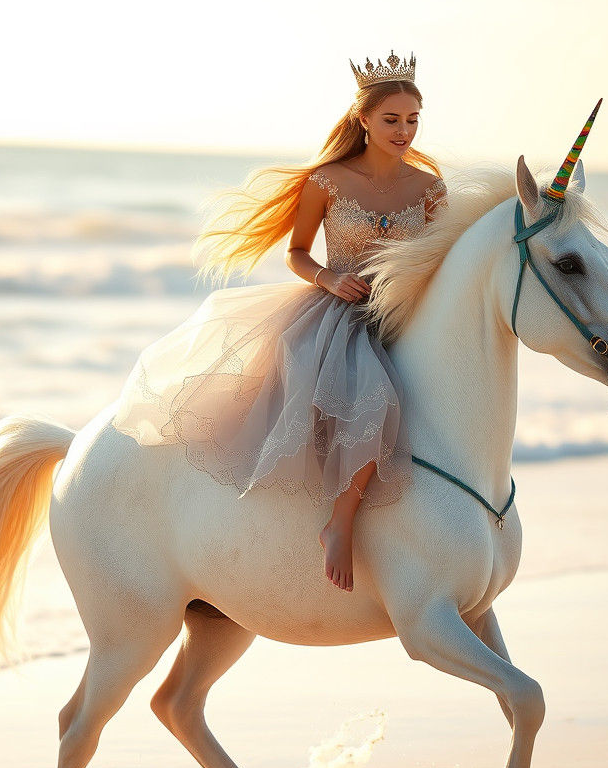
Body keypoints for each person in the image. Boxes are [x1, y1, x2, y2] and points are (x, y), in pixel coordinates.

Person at [111, 50, 448, 591]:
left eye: (412, 120)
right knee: (373, 398)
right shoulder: (328, 180)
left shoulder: (430, 189)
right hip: (340, 313)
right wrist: (329, 279)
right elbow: (296, 253)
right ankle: (337, 521)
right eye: (391, 120)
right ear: (363, 120)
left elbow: (439, 258)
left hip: (402, 312)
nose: (403, 131)